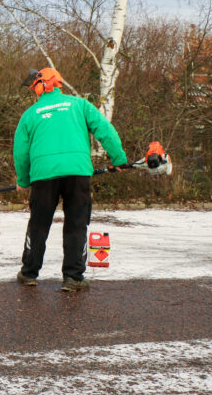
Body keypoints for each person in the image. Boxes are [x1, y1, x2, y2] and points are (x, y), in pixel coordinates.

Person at [13, 67, 127, 292]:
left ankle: (29, 273)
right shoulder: (79, 105)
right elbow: (105, 129)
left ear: (41, 85)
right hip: (78, 172)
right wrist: (118, 158)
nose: (33, 93)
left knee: (39, 224)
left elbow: (21, 152)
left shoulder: (30, 114)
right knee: (76, 223)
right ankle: (73, 277)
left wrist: (24, 180)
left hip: (43, 175)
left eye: (33, 88)